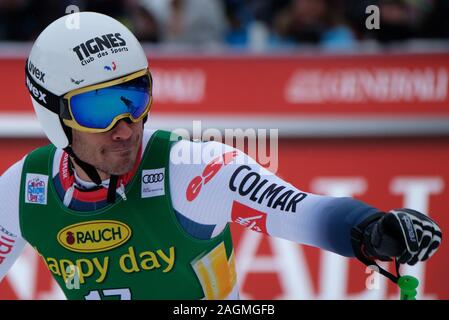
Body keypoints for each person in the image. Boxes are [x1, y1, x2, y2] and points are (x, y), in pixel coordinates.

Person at [0, 12, 442, 300]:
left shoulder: (192, 170)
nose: (125, 127)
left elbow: (299, 210)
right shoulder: (24, 189)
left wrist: (373, 229)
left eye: (134, 98)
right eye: (97, 109)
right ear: (52, 111)